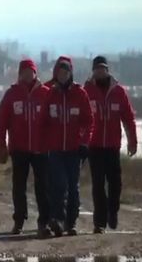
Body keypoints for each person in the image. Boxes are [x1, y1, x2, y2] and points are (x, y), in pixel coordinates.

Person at [0, 59, 52, 238]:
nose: (28, 74)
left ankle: (44, 222)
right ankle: (19, 220)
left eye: (31, 71)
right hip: (19, 148)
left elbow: (54, 122)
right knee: (18, 186)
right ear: (20, 74)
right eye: (24, 71)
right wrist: (0, 146)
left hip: (41, 148)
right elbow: (1, 122)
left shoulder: (46, 94)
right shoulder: (12, 94)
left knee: (42, 186)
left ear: (35, 73)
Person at [39, 58, 94, 237]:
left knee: (72, 187)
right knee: (58, 185)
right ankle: (58, 220)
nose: (62, 76)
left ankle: (71, 222)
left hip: (74, 149)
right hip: (55, 149)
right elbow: (43, 122)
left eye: (66, 73)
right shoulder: (51, 94)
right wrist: (44, 143)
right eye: (59, 73)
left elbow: (89, 121)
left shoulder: (80, 94)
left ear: (70, 73)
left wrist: (85, 142)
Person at [84, 56, 138, 234]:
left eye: (103, 68)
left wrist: (132, 141)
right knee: (98, 185)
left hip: (113, 145)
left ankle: (112, 211)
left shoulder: (118, 91)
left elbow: (128, 117)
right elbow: (80, 118)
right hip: (94, 145)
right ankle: (99, 222)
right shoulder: (87, 91)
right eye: (97, 69)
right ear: (93, 71)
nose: (100, 71)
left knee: (115, 183)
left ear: (107, 70)